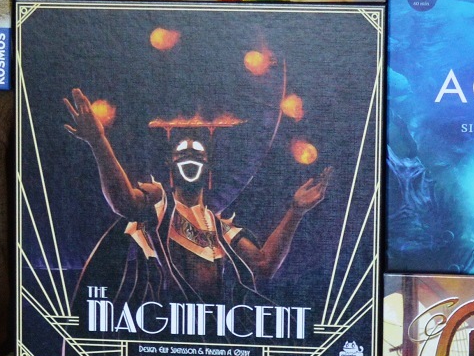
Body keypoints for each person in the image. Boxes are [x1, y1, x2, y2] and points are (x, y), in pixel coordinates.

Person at [63, 87, 330, 309]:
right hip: (161, 325)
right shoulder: (159, 201)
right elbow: (124, 202)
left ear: (207, 166)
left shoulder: (220, 229)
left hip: (207, 329)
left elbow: (263, 265)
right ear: (171, 164)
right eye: (182, 152)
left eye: (197, 153)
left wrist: (296, 211)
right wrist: (98, 141)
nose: (189, 155)